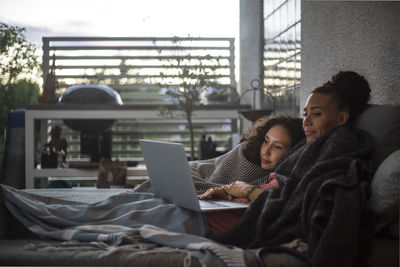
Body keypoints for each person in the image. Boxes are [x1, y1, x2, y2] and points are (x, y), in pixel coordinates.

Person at [214, 71, 374, 267]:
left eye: (316, 114)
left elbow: (296, 199)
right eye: (305, 113)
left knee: (187, 217)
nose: (306, 121)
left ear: (341, 118)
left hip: (271, 216)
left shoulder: (340, 143)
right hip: (259, 205)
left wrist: (248, 191)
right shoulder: (311, 144)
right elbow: (288, 187)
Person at [133, 115, 305, 194]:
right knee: (170, 179)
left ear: (293, 152)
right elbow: (216, 179)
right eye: (266, 141)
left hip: (205, 182)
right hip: (200, 171)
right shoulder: (248, 150)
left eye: (277, 147)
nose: (265, 151)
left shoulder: (277, 179)